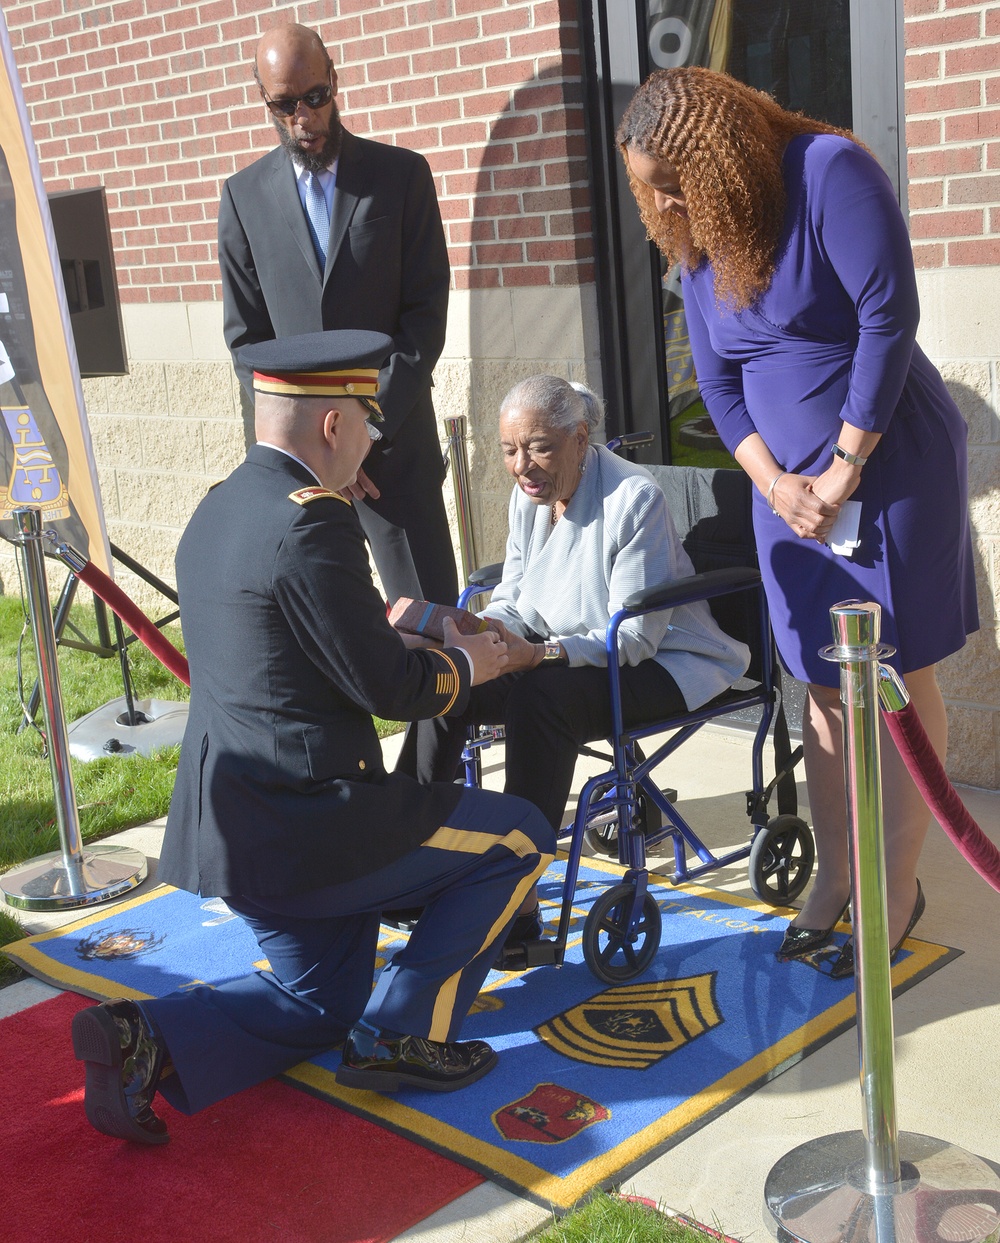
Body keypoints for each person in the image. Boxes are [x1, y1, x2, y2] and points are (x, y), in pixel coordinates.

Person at [71, 331, 555, 1145]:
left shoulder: (221, 504)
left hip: (232, 827)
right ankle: (405, 1033)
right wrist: (471, 660)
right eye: (366, 425)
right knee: (517, 834)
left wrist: (396, 626)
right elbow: (393, 692)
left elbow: (292, 648)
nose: (370, 447)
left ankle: (143, 1038)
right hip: (312, 823)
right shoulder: (314, 525)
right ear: (333, 425)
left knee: (322, 1002)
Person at [616, 67, 978, 975]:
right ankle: (833, 879)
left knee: (892, 678)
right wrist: (779, 486)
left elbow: (889, 315)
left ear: (717, 154)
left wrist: (844, 464)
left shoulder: (828, 172)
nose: (660, 202)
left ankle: (896, 888)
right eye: (646, 187)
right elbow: (721, 388)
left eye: (671, 181)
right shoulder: (697, 234)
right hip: (788, 502)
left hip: (889, 472)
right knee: (819, 686)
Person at [397, 374, 750, 960]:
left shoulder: (634, 500)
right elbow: (517, 593)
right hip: (563, 650)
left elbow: (635, 635)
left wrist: (540, 654)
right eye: (510, 450)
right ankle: (415, 857)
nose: (522, 465)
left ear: (580, 439)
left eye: (538, 446)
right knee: (448, 678)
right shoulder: (529, 497)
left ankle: (518, 896)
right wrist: (482, 634)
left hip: (663, 661)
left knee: (542, 699)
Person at [217, 22, 457, 608]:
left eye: (315, 97)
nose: (302, 116)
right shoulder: (241, 197)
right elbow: (249, 343)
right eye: (284, 103)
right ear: (264, 99)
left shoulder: (402, 177)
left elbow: (424, 318)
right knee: (321, 641)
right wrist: (311, 451)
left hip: (393, 452)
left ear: (335, 80)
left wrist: (363, 431)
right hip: (300, 476)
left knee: (433, 633)